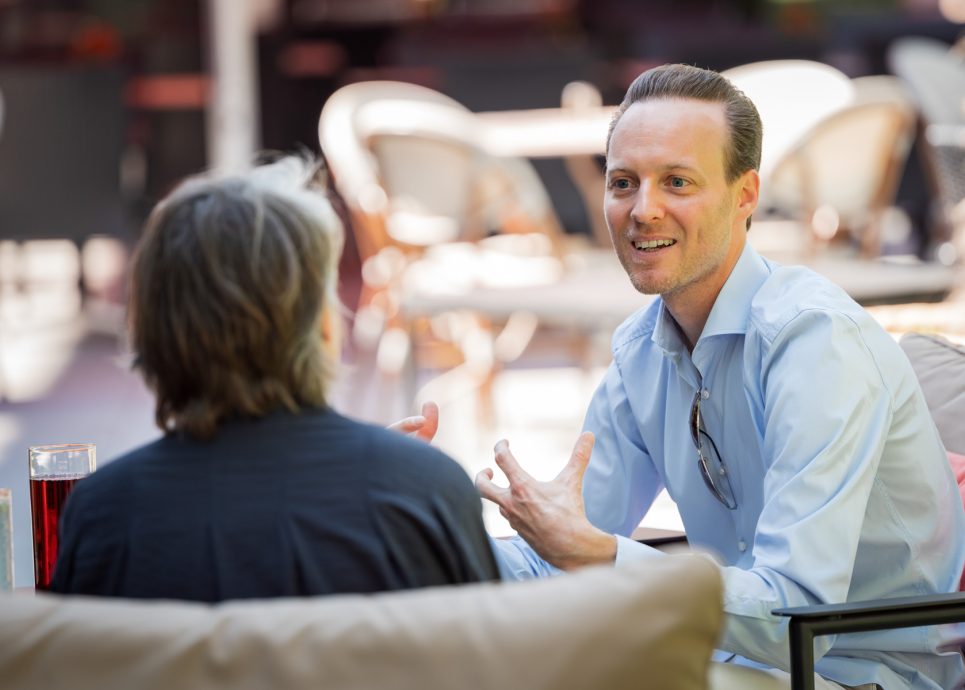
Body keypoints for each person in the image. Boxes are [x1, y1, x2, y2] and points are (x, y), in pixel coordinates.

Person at [475, 64, 965, 690]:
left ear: (745, 195)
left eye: (677, 182)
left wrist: (603, 556)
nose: (643, 210)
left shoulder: (817, 344)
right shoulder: (643, 351)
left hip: (864, 674)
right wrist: (404, 523)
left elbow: (795, 619)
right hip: (731, 659)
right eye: (623, 182)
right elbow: (561, 552)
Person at [50, 155, 499, 601]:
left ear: (149, 331)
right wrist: (381, 474)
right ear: (324, 328)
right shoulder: (426, 492)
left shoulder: (104, 516)